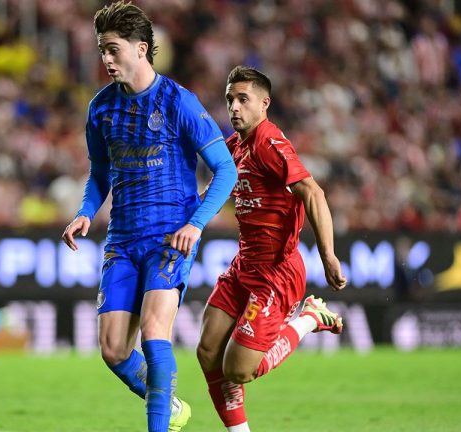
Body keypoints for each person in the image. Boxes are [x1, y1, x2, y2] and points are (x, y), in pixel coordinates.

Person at [61, 2, 238, 432]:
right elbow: (99, 174)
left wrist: (195, 223)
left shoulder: (179, 102)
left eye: (113, 49)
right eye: (102, 50)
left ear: (141, 48)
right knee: (113, 350)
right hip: (122, 239)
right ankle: (170, 406)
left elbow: (226, 170)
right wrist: (85, 213)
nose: (106, 59)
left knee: (155, 333)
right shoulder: (100, 109)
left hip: (169, 237)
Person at [196, 66, 348, 432]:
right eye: (230, 99)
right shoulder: (234, 147)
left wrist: (327, 254)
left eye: (243, 99)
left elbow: (312, 192)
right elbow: (213, 194)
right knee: (208, 350)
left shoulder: (269, 143)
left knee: (238, 369)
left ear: (264, 103)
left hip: (276, 273)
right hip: (243, 265)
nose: (234, 107)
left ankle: (310, 317)